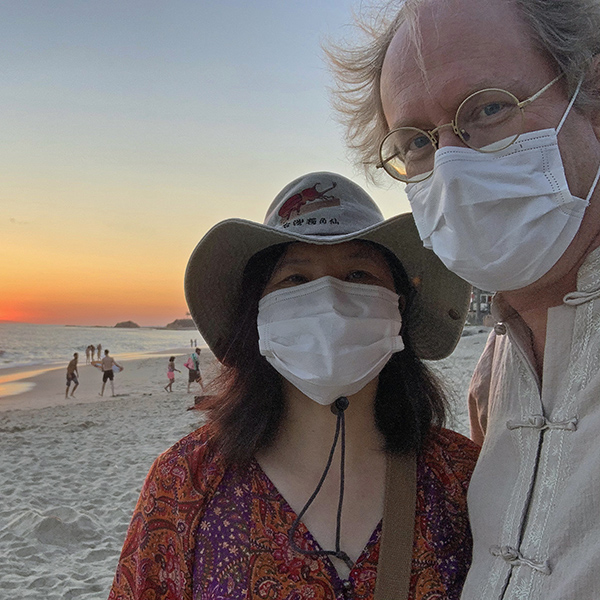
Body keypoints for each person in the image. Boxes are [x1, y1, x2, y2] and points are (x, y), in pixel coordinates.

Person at [327, 1, 600, 597]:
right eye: (418, 143)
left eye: (490, 108)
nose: (452, 164)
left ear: (592, 97)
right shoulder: (491, 381)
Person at [108, 172, 478, 600]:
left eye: (359, 274)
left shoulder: (462, 479)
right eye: (296, 280)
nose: (331, 300)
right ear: (260, 316)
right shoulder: (183, 483)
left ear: (400, 308)